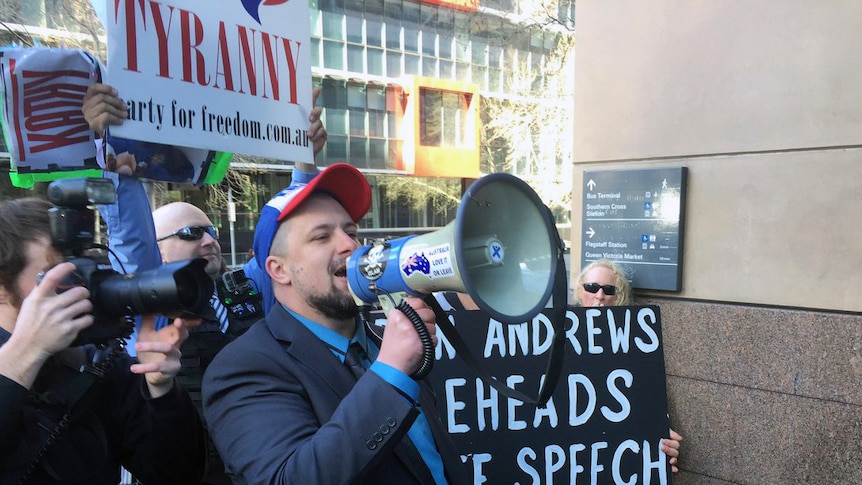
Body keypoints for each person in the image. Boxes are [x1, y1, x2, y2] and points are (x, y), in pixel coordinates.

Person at [82, 81, 328, 484]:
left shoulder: (251, 289)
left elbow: (285, 236)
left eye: (210, 230)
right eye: (189, 234)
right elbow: (130, 235)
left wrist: (303, 164)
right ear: (157, 251)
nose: (209, 240)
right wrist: (106, 147)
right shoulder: (149, 311)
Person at [201, 163, 471, 484]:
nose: (350, 245)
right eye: (322, 236)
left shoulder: (380, 344)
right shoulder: (244, 367)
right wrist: (390, 374)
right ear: (279, 270)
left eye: (352, 231)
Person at [0, 197, 207, 484]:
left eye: (81, 269)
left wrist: (160, 390)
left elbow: (178, 474)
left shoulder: (96, 361)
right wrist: (26, 354)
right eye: (55, 275)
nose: (78, 287)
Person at [574, 258, 683, 473]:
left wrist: (659, 445)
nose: (600, 296)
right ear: (579, 291)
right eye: (592, 287)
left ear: (619, 297)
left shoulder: (638, 351)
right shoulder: (555, 339)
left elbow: (645, 408)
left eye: (608, 290)